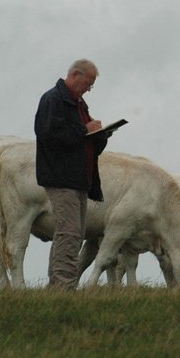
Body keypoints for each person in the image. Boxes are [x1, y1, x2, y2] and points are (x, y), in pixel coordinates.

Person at [34, 59, 109, 290]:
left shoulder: (79, 104)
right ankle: (64, 286)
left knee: (71, 233)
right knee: (69, 233)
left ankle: (57, 284)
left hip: (79, 179)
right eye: (88, 83)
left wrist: (101, 135)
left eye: (91, 86)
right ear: (75, 75)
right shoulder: (52, 99)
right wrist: (84, 130)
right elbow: (47, 133)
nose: (88, 89)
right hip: (61, 177)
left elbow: (83, 139)